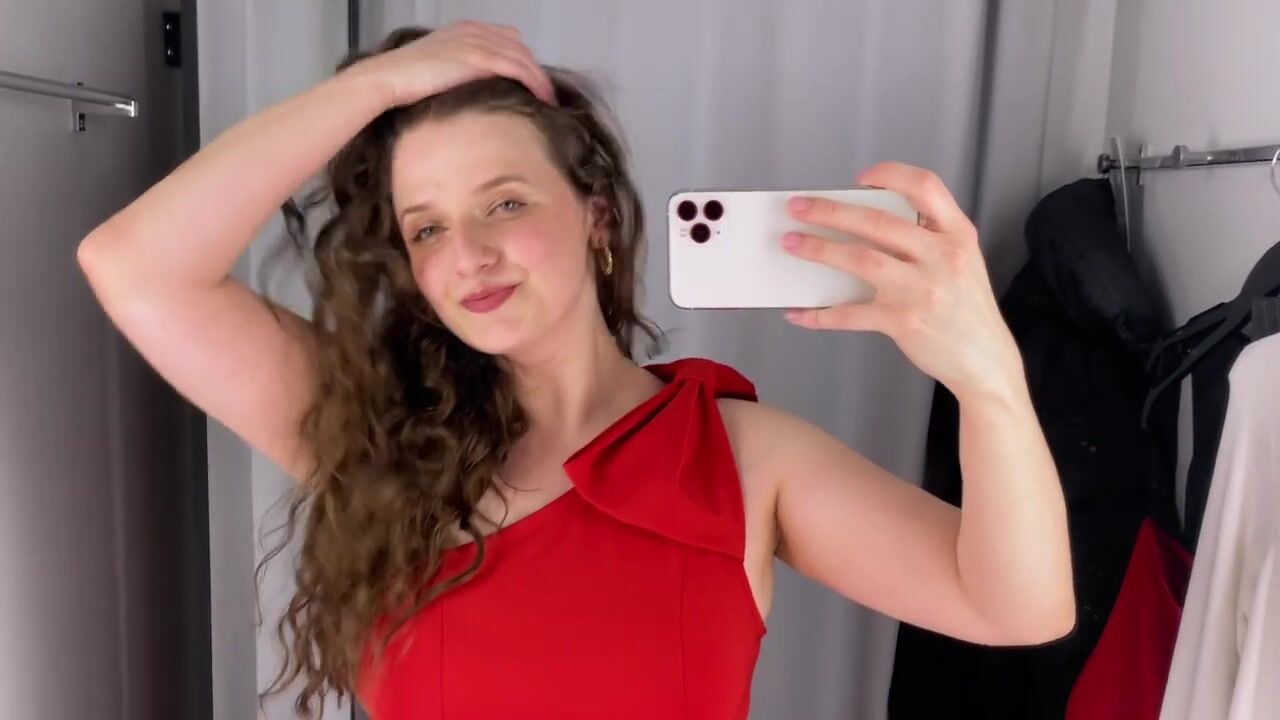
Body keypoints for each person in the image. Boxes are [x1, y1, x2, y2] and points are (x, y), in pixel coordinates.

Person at [76, 20, 1075, 720]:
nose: (469, 254)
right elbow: (133, 266)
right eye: (428, 228)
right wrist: (373, 88)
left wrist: (986, 375)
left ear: (596, 217)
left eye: (504, 203)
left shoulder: (741, 458)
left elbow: (1018, 608)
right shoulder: (375, 442)